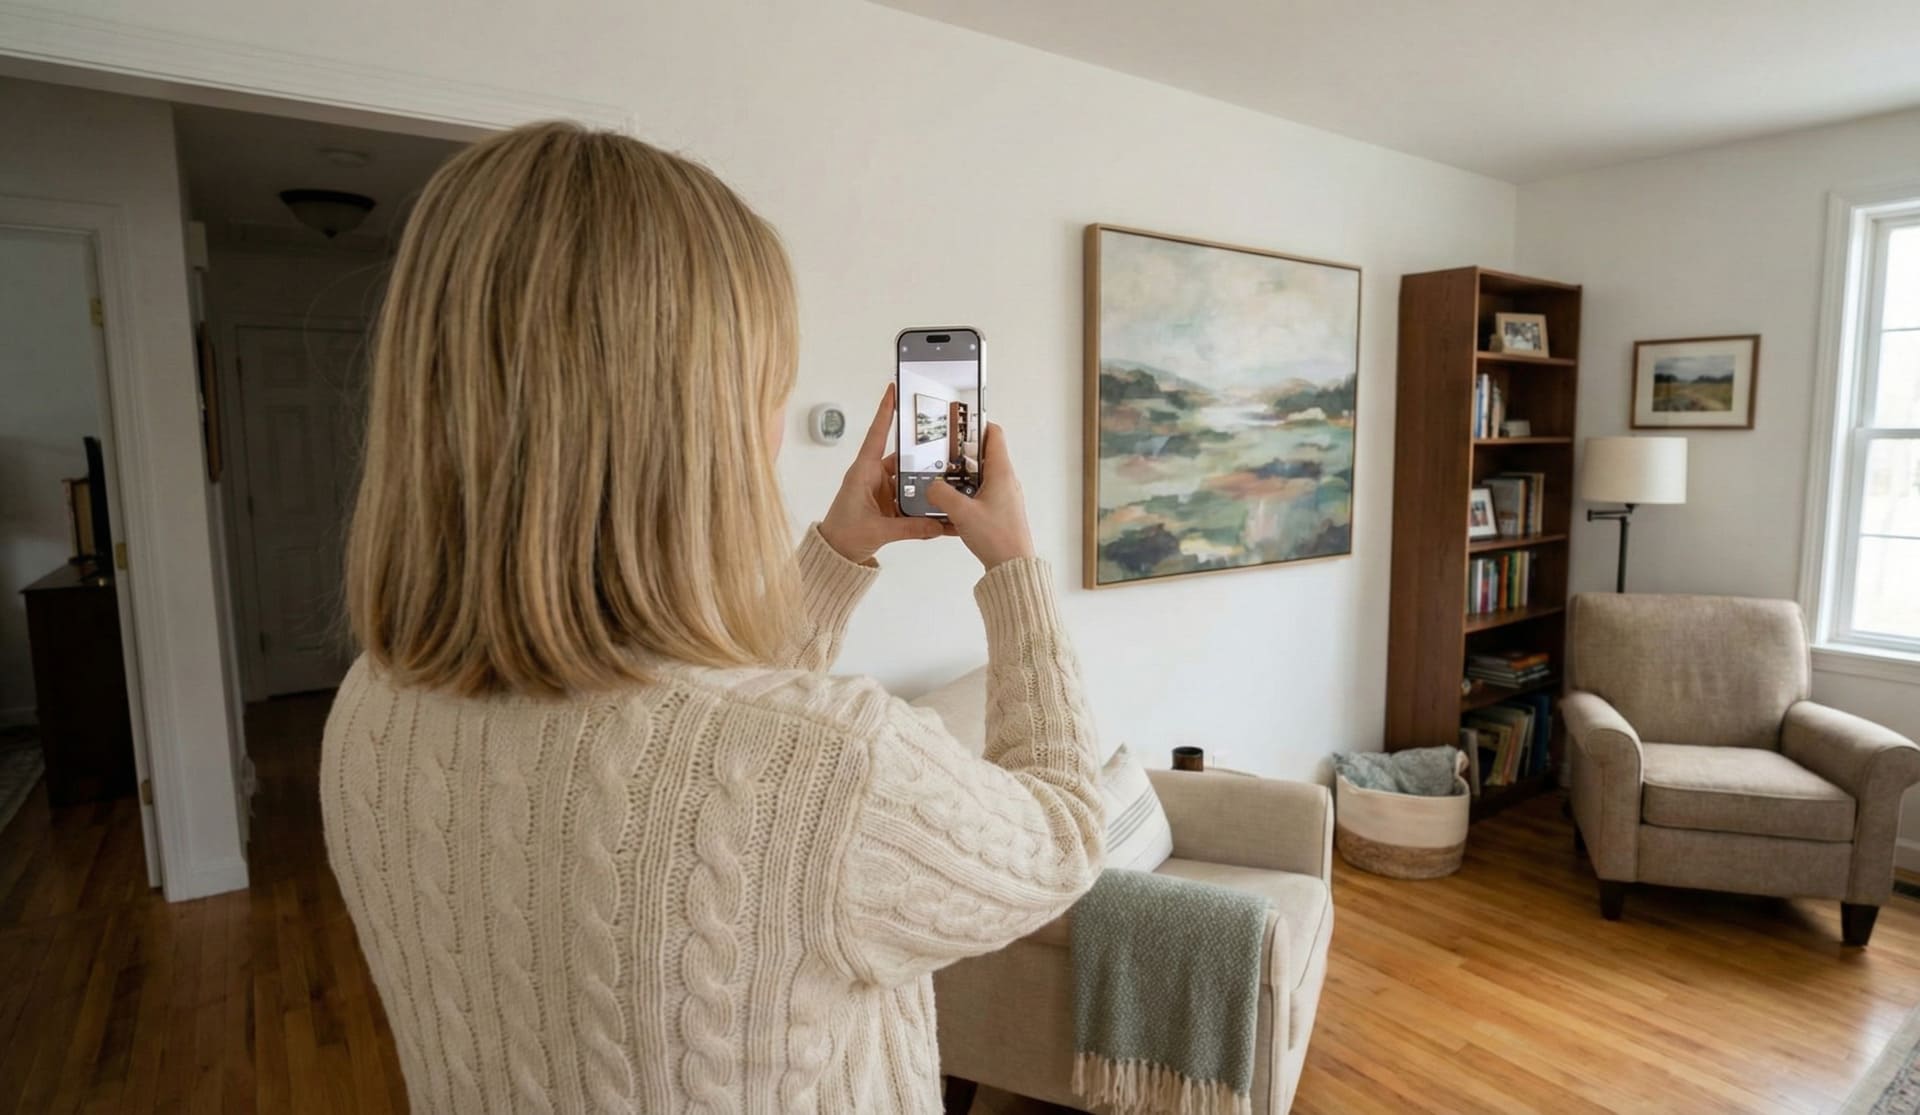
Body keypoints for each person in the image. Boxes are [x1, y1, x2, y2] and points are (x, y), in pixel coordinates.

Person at [319, 121, 1104, 1114]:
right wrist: (1016, 569)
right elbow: (1067, 834)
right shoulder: (842, 767)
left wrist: (836, 553)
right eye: (766, 388)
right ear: (702, 424)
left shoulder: (365, 715)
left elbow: (688, 756)